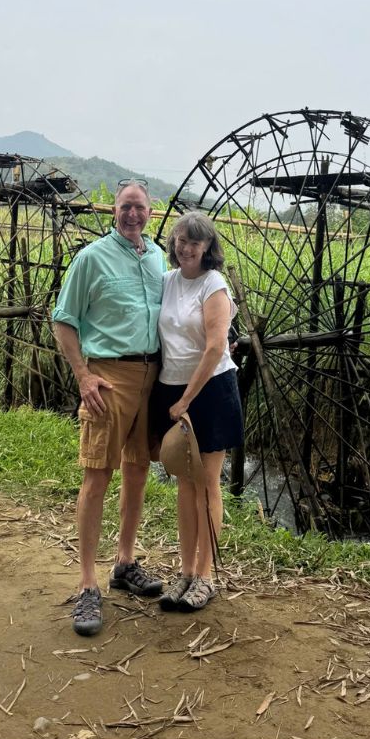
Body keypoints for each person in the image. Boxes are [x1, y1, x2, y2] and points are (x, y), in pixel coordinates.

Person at [52, 179, 167, 636]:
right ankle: (86, 586)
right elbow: (64, 319)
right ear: (113, 211)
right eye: (125, 207)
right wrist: (83, 375)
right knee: (98, 474)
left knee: (138, 468)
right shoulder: (91, 258)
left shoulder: (159, 257)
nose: (132, 214)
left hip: (152, 376)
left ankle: (124, 562)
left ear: (150, 213)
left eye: (139, 207)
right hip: (108, 376)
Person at [149, 212, 244, 613]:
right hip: (173, 388)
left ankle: (205, 577)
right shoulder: (168, 281)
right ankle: (185, 572)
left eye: (195, 242)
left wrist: (187, 399)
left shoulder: (214, 284)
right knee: (184, 484)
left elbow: (214, 347)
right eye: (180, 240)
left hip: (209, 390)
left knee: (206, 482)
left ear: (208, 248)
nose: (186, 248)